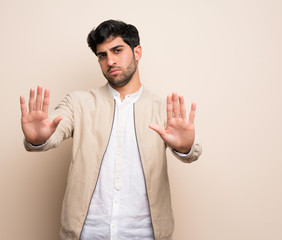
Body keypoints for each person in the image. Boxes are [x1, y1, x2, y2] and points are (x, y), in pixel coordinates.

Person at [20, 20, 202, 240]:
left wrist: (185, 147)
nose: (110, 61)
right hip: (87, 233)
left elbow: (192, 151)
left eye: (117, 50)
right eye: (102, 55)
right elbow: (54, 131)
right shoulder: (78, 102)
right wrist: (39, 139)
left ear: (137, 52)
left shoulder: (163, 109)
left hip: (145, 234)